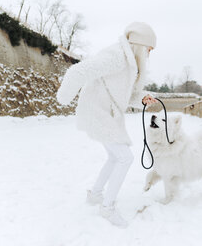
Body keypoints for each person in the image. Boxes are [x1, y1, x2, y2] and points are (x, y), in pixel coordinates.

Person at [56, 22, 158, 228]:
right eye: (149, 49)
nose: (149, 54)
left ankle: (95, 195)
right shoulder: (117, 56)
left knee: (115, 156)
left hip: (107, 114)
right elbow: (78, 72)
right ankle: (107, 207)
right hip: (97, 113)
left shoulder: (129, 63)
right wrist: (63, 98)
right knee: (124, 157)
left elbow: (125, 95)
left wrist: (142, 100)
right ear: (140, 45)